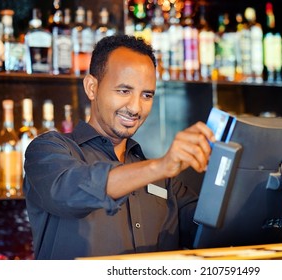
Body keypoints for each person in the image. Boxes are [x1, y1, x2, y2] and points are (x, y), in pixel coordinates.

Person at [23, 34, 215, 260]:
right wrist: (160, 166)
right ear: (92, 87)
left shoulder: (163, 179)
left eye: (146, 95)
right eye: (124, 91)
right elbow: (69, 191)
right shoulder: (48, 150)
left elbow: (210, 228)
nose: (135, 108)